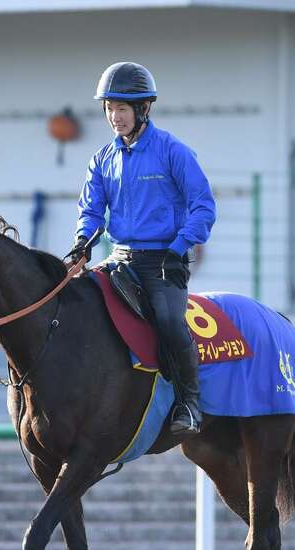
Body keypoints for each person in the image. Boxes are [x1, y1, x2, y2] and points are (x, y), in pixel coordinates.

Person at [70, 61, 216, 434]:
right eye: (109, 108)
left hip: (164, 262)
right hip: (118, 259)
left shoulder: (173, 151)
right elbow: (91, 211)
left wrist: (180, 246)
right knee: (79, 306)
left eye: (121, 108)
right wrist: (82, 243)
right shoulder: (102, 160)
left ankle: (190, 404)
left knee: (168, 321)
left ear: (143, 109)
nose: (114, 117)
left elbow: (203, 206)